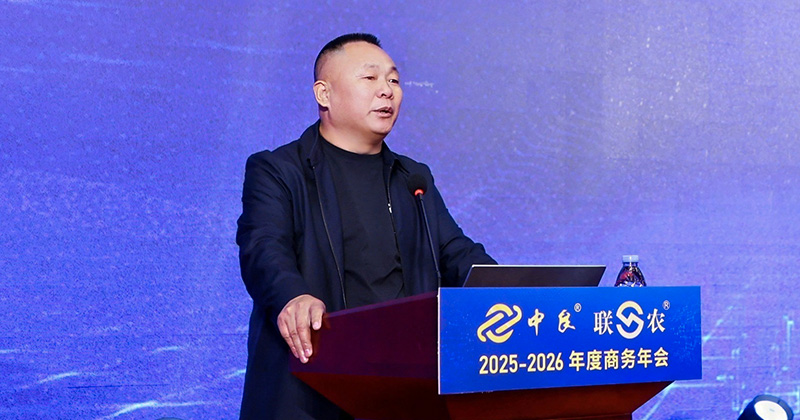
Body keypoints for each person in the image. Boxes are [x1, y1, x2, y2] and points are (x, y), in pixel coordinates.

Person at [236, 33, 496, 420]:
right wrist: (293, 296)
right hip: (312, 388)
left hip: (403, 388)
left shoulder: (412, 178)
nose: (386, 90)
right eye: (370, 78)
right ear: (324, 94)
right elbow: (263, 248)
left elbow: (455, 251)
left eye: (393, 79)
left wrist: (510, 288)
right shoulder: (279, 170)